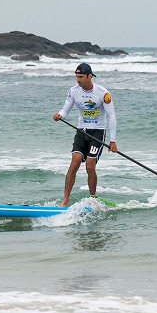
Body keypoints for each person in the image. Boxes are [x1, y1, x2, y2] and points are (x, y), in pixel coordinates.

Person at [52, 63, 117, 206]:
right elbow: (65, 110)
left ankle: (93, 199)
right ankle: (65, 200)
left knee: (89, 165)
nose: (78, 80)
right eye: (76, 76)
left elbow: (111, 117)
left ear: (89, 76)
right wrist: (59, 115)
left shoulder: (103, 93)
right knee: (74, 161)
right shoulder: (74, 91)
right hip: (81, 131)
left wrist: (112, 141)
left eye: (81, 77)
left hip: (97, 133)